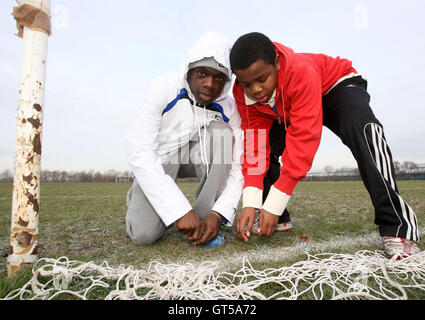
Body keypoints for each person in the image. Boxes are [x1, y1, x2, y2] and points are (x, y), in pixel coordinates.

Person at [230, 32, 420, 258]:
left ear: (278, 64)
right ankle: (276, 218)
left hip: (334, 87)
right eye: (246, 84)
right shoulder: (244, 95)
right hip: (284, 107)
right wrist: (252, 204)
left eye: (262, 79)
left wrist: (275, 203)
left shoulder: (299, 72)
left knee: (362, 128)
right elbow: (255, 148)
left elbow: (303, 141)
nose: (256, 90)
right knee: (266, 143)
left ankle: (398, 226)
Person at [126, 31, 244, 247]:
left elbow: (240, 166)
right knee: (143, 235)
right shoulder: (162, 88)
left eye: (219, 77)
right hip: (161, 161)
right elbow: (140, 150)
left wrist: (219, 213)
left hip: (197, 155)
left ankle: (203, 218)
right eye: (202, 74)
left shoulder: (229, 107)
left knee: (222, 133)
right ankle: (146, 199)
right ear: (188, 70)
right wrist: (178, 210)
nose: (210, 83)